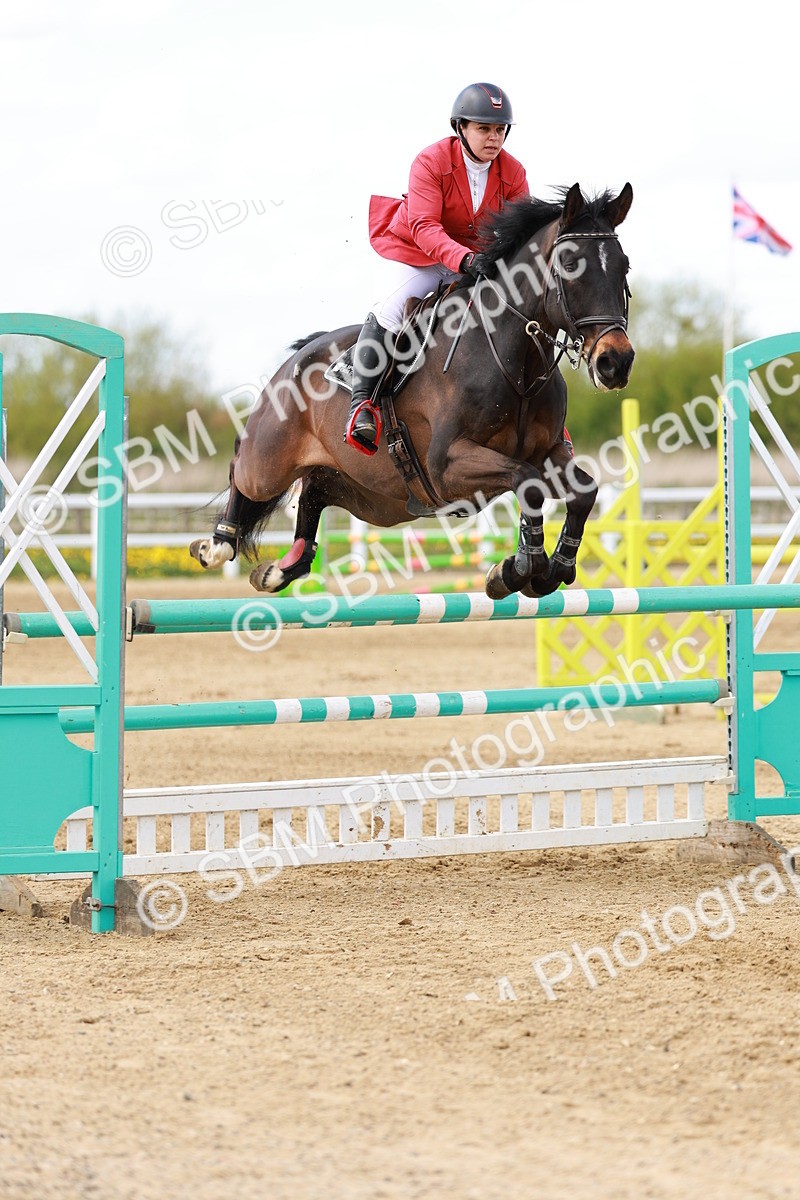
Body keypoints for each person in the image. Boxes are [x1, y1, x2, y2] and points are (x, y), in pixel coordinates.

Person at [344, 82, 530, 456]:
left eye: (500, 130)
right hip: (420, 254)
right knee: (392, 309)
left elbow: (520, 233)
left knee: (515, 314)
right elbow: (424, 226)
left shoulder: (513, 172)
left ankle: (543, 414)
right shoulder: (431, 162)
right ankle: (362, 404)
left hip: (474, 261)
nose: (494, 138)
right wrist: (465, 260)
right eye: (484, 128)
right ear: (460, 127)